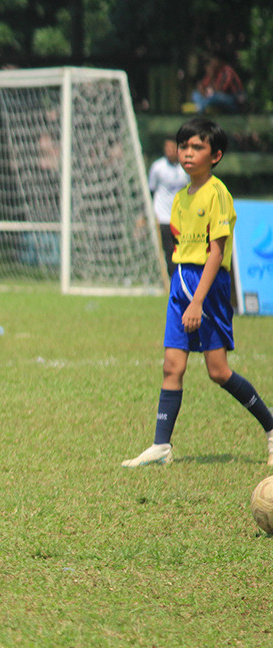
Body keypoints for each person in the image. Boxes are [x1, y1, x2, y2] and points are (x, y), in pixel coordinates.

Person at [121, 118, 273, 468]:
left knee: (218, 371)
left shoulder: (217, 193)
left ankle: (270, 427)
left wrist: (198, 301)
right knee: (171, 365)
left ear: (215, 155)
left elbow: (216, 253)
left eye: (197, 147)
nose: (187, 153)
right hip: (182, 281)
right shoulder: (178, 198)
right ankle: (161, 446)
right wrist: (182, 291)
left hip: (208, 286)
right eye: (184, 146)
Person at [147, 138, 190, 278]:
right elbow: (151, 189)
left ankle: (181, 278)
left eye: (172, 147)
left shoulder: (186, 169)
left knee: (182, 250)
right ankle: (170, 279)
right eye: (167, 147)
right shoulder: (157, 167)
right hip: (163, 216)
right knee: (168, 250)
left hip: (181, 217)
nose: (169, 150)